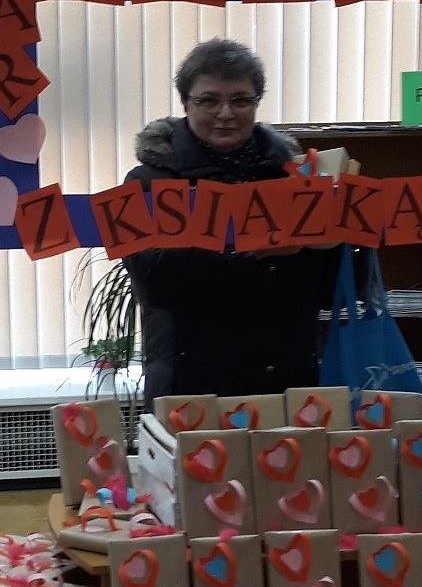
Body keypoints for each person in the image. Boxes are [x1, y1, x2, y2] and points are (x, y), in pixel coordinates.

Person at [124, 37, 340, 403]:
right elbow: (152, 280)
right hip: (192, 390)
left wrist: (338, 236)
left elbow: (332, 286)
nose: (226, 113)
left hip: (287, 384)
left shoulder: (295, 178)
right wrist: (254, 248)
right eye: (209, 100)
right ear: (185, 103)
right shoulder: (148, 182)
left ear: (256, 103)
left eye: (241, 100)